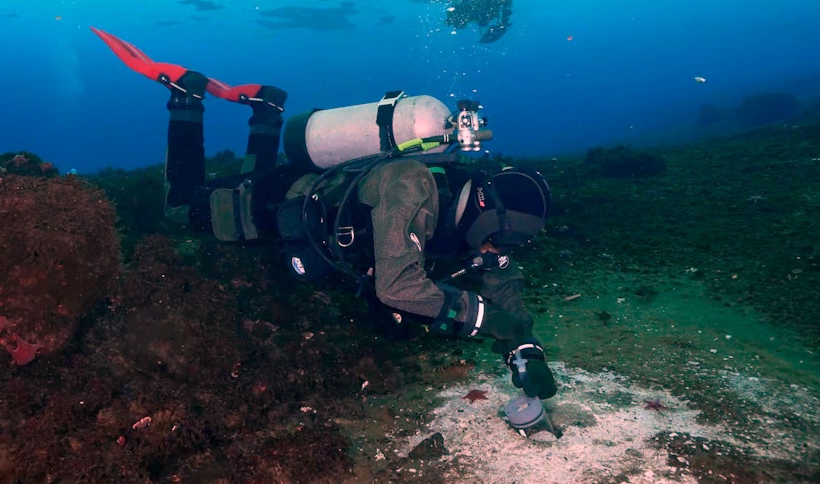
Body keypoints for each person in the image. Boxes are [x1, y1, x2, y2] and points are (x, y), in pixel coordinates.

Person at [91, 28, 556, 400]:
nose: (501, 251)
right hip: (278, 206)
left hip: (304, 197)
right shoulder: (413, 187)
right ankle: (184, 97)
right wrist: (483, 319)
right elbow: (396, 288)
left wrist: (524, 345)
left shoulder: (465, 205)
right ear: (487, 212)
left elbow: (501, 277)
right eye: (504, 239)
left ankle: (266, 112)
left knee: (251, 183)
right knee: (181, 211)